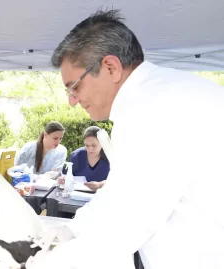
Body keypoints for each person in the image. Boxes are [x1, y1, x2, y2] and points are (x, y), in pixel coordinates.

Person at [26, 9, 224, 269]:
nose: (72, 101)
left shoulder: (150, 108)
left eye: (74, 87)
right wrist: (72, 230)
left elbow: (127, 223)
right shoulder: (165, 92)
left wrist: (38, 264)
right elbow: (119, 194)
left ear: (110, 67)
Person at [58, 126, 110, 191]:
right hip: (77, 195)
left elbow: (119, 180)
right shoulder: (76, 156)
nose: (90, 149)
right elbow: (64, 175)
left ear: (102, 144)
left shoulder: (111, 158)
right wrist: (62, 179)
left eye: (94, 145)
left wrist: (100, 184)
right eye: (87, 145)